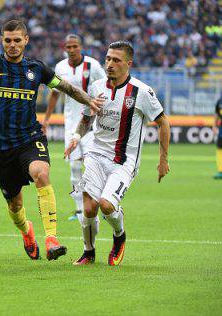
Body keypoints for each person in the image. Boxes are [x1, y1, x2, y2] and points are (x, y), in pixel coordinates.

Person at [0, 20, 104, 261]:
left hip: (29, 138)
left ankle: (51, 239)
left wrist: (88, 99)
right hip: (0, 148)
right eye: (8, 40)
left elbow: (66, 87)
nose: (13, 45)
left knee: (42, 173)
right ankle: (27, 232)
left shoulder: (36, 69)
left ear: (26, 40)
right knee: (15, 207)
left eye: (17, 40)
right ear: (2, 40)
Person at [64, 41, 171, 266]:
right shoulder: (96, 87)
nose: (110, 64)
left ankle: (119, 235)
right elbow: (86, 119)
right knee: (89, 208)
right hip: (96, 154)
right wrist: (75, 138)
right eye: (108, 59)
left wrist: (163, 160)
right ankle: (88, 252)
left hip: (124, 161)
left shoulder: (142, 92)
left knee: (106, 204)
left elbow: (163, 123)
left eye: (116, 60)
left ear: (128, 64)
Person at [42, 34, 106, 224]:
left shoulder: (93, 65)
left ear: (81, 47)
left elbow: (105, 87)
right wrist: (46, 120)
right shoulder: (61, 67)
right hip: (71, 124)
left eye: (75, 46)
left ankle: (100, 204)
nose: (71, 50)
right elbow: (54, 95)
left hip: (92, 124)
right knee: (75, 166)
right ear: (65, 48)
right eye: (68, 47)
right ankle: (79, 210)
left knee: (94, 165)